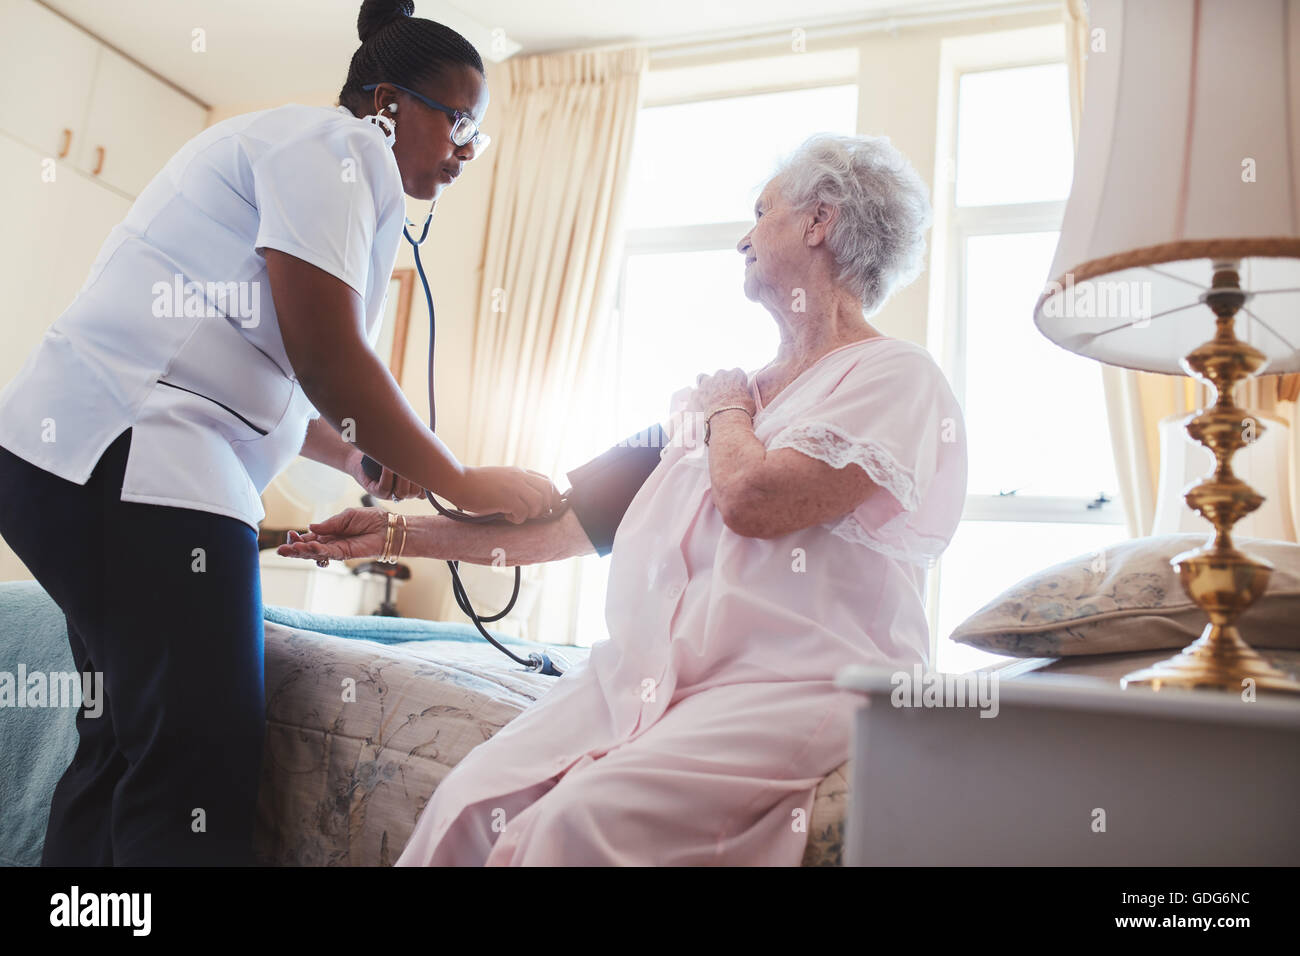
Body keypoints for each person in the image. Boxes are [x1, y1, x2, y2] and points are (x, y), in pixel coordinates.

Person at [279, 131, 969, 866]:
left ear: (818, 221)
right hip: (641, 681)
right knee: (467, 806)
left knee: (572, 828)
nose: (744, 237)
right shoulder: (707, 397)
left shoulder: (894, 377)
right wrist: (392, 535)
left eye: (761, 212)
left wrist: (727, 413)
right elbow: (562, 527)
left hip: (792, 688)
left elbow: (756, 501)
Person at [0, 0, 559, 866]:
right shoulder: (335, 151)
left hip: (78, 456)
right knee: (195, 760)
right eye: (459, 123)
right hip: (137, 463)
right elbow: (328, 360)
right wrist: (466, 478)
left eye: (475, 137)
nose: (465, 151)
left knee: (124, 746)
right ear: (386, 102)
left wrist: (356, 454)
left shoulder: (312, 161)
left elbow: (257, 373)